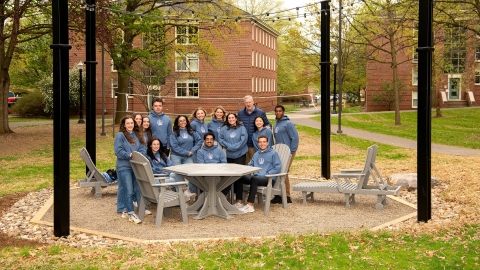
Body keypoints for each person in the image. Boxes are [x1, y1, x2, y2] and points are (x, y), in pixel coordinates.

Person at [234, 135, 281, 213]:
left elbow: (277, 167)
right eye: (260, 142)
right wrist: (244, 170)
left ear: (267, 143)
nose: (262, 144)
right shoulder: (256, 154)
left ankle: (250, 205)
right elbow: (250, 165)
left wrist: (267, 174)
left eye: (264, 142)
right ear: (258, 143)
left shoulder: (273, 153)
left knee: (254, 179)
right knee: (239, 177)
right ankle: (240, 202)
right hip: (256, 178)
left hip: (268, 179)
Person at [114, 115, 147, 224]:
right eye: (127, 123)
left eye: (131, 123)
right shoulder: (120, 136)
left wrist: (137, 155)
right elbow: (118, 151)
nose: (130, 125)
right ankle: (131, 213)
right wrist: (130, 155)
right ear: (123, 125)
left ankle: (125, 210)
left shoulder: (138, 135)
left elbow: (143, 148)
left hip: (135, 166)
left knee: (133, 190)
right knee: (128, 190)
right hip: (124, 167)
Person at [271, 105, 299, 204]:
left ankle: (287, 195)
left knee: (284, 172)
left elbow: (295, 138)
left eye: (280, 111)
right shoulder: (276, 124)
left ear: (283, 112)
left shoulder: (288, 124)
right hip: (280, 152)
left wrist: (291, 152)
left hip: (289, 152)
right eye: (276, 111)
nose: (278, 112)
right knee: (278, 171)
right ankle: (278, 195)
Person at [169, 115, 202, 199]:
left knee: (191, 173)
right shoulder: (174, 133)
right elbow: (174, 147)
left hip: (188, 156)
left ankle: (191, 191)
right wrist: (187, 152)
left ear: (187, 121)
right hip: (176, 156)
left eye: (184, 120)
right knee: (177, 173)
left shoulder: (191, 131)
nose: (182, 122)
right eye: (180, 121)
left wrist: (192, 150)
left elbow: (199, 140)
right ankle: (184, 191)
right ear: (177, 123)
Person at [237, 95, 271, 164]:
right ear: (244, 103)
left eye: (249, 102)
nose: (248, 104)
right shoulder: (240, 113)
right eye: (246, 102)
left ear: (253, 102)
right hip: (244, 145)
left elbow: (267, 124)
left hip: (255, 145)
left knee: (255, 163)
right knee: (246, 165)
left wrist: (266, 130)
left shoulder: (260, 112)